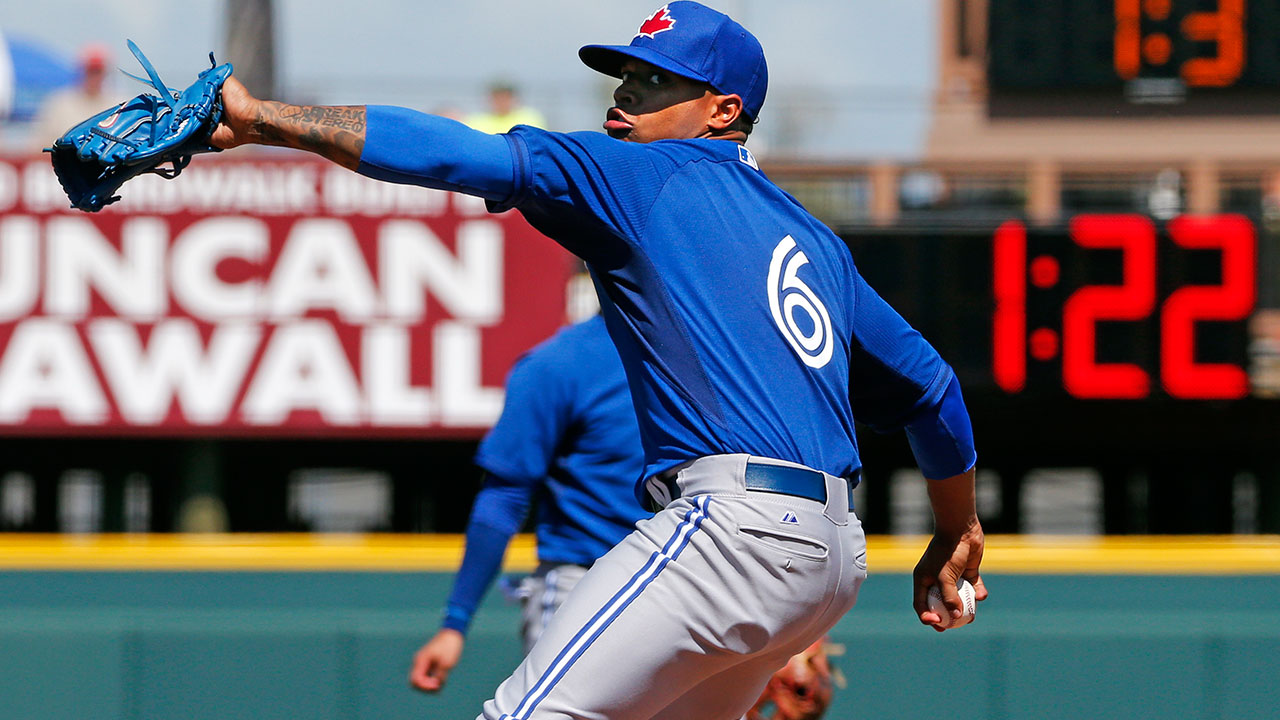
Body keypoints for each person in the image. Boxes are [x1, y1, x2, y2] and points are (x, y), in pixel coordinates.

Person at [209, 3, 986, 718]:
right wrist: (958, 527)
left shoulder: (643, 173)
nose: (627, 95)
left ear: (723, 113)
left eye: (655, 81)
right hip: (833, 561)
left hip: (732, 529)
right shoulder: (818, 241)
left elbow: (457, 156)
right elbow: (933, 392)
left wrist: (262, 120)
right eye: (626, 76)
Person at [408, 311, 649, 692]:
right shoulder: (558, 364)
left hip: (694, 578)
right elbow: (504, 497)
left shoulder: (710, 353)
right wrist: (455, 622)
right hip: (586, 582)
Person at [31, 43, 118, 150]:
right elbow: (40, 144)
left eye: (98, 72)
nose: (94, 77)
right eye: (90, 71)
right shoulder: (60, 104)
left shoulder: (117, 106)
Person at [465, 80, 547, 133]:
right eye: (497, 97)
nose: (501, 101)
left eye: (505, 97)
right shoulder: (476, 120)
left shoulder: (530, 117)